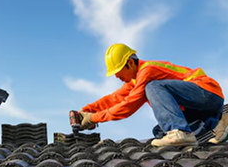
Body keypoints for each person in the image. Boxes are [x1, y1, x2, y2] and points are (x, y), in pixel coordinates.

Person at [79, 43, 226, 147]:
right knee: (160, 131)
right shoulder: (134, 80)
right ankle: (216, 120)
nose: (116, 76)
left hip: (207, 91)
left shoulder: (147, 71)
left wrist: (94, 118)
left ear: (130, 63)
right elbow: (114, 98)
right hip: (198, 106)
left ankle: (181, 132)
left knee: (153, 87)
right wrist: (88, 110)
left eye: (117, 71)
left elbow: (129, 105)